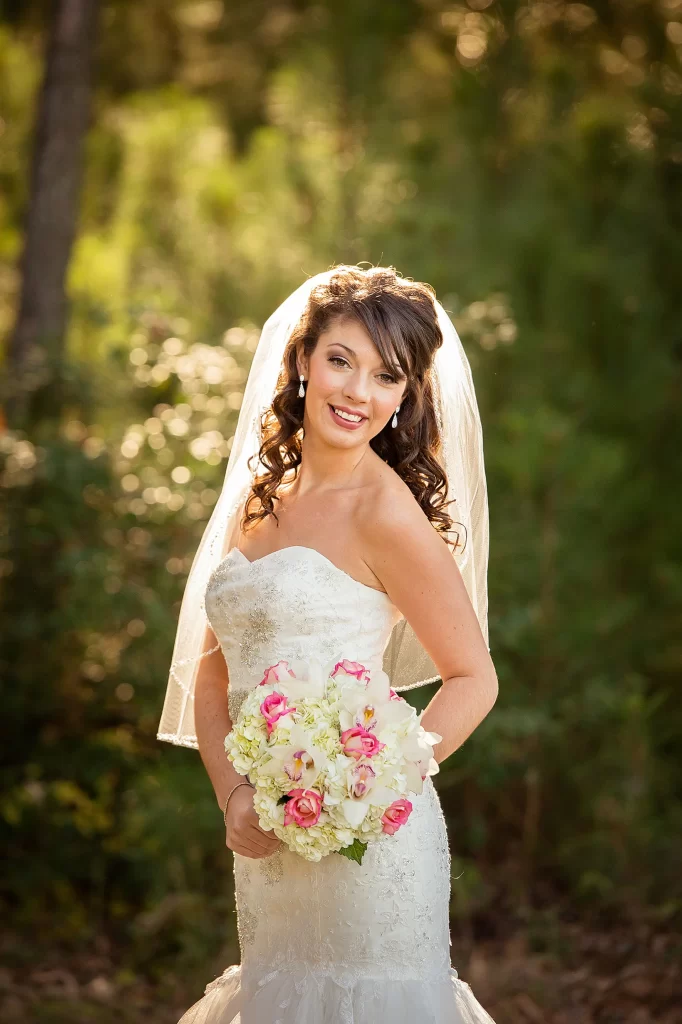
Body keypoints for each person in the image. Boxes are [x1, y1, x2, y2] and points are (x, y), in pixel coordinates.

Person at [158, 265, 498, 1023]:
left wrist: (374, 781)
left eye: (387, 377)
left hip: (369, 843)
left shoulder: (389, 516)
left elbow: (473, 679)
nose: (357, 392)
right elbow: (213, 676)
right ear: (303, 360)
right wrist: (234, 796)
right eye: (341, 360)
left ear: (404, 397)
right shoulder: (259, 499)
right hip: (268, 839)